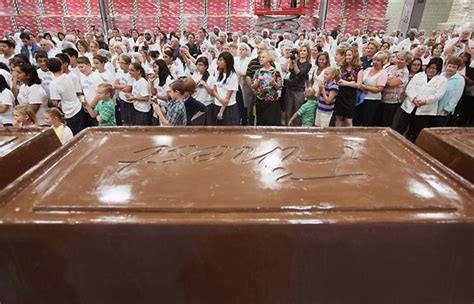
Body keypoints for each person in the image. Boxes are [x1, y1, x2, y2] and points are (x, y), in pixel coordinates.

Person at [395, 57, 447, 142]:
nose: (431, 70)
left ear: (438, 70)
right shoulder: (418, 75)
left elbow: (438, 95)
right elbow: (409, 88)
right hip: (410, 105)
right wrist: (413, 98)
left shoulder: (442, 80)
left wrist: (425, 101)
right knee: (401, 127)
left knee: (416, 132)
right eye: (430, 68)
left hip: (425, 110)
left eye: (434, 69)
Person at [47, 58, 86, 135]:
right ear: (61, 66)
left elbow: (55, 103)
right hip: (78, 108)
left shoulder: (54, 84)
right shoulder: (67, 76)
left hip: (70, 112)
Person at [356, 51, 389, 126]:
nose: (375, 62)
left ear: (382, 62)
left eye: (378, 60)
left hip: (372, 100)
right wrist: (362, 88)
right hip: (361, 98)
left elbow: (379, 89)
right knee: (357, 119)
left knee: (367, 121)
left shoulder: (383, 73)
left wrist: (365, 87)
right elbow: (360, 81)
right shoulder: (367, 69)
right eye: (374, 59)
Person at [251, 50, 282, 126]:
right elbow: (253, 86)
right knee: (261, 122)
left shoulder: (275, 72)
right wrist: (258, 81)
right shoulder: (258, 71)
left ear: (268, 59)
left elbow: (280, 87)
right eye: (260, 57)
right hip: (260, 101)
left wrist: (274, 83)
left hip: (272, 101)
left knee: (272, 122)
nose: (261, 59)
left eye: (263, 57)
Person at [431, 56, 465, 127]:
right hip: (432, 107)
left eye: (454, 67)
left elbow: (457, 96)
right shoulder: (441, 75)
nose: (451, 69)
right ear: (446, 66)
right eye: (450, 66)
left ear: (457, 68)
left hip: (444, 109)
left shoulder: (460, 80)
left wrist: (449, 108)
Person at [379, 51, 410, 127]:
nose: (399, 61)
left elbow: (391, 84)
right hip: (382, 97)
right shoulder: (390, 67)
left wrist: (385, 79)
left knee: (386, 122)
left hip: (393, 101)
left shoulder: (404, 72)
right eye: (398, 58)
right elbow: (379, 78)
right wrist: (388, 79)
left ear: (407, 62)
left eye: (402, 59)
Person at [334, 47, 363, 127]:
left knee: (348, 120)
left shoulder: (359, 68)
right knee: (338, 117)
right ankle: (337, 135)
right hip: (340, 95)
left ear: (354, 56)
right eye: (346, 55)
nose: (347, 57)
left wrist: (347, 83)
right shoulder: (342, 67)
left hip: (350, 96)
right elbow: (339, 81)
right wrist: (351, 83)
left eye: (349, 55)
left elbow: (359, 85)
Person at [284, 44, 312, 125]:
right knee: (288, 111)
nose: (302, 52)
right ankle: (287, 128)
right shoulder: (295, 60)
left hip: (299, 90)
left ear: (307, 53)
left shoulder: (308, 65)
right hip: (290, 88)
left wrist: (295, 63)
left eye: (304, 51)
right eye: (301, 50)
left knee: (298, 111)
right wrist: (291, 60)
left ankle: (297, 129)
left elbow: (299, 73)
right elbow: (289, 69)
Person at [213, 51, 239, 125]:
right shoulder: (217, 72)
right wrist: (220, 99)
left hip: (229, 107)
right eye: (218, 60)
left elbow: (228, 97)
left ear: (227, 62)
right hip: (217, 104)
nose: (218, 62)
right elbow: (214, 90)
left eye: (221, 60)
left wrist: (221, 111)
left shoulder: (233, 75)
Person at [192, 56, 215, 125]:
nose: (198, 66)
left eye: (201, 65)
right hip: (195, 103)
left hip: (206, 105)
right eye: (197, 64)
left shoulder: (211, 78)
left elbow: (213, 93)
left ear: (206, 66)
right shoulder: (195, 75)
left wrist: (205, 85)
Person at [114, 54, 134, 126]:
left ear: (128, 64)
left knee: (131, 120)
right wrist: (124, 86)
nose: (121, 65)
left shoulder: (131, 73)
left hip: (130, 100)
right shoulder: (119, 71)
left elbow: (128, 89)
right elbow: (115, 85)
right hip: (122, 99)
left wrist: (120, 86)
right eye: (120, 62)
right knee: (124, 120)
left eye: (123, 63)